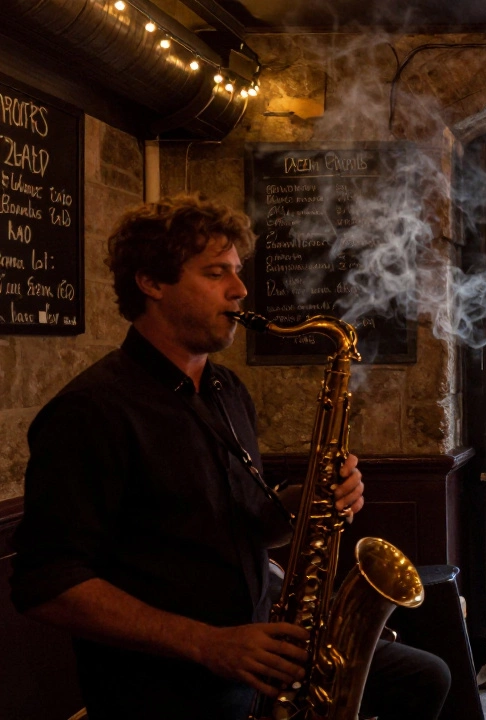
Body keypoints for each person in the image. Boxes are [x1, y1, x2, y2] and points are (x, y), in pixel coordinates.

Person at [9, 196, 450, 720]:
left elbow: (244, 526)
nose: (240, 290)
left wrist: (308, 500)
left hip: (257, 643)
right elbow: (46, 585)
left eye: (237, 272)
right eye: (217, 273)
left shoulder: (224, 388)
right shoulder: (91, 410)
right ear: (151, 282)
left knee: (427, 677)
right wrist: (209, 644)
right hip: (169, 684)